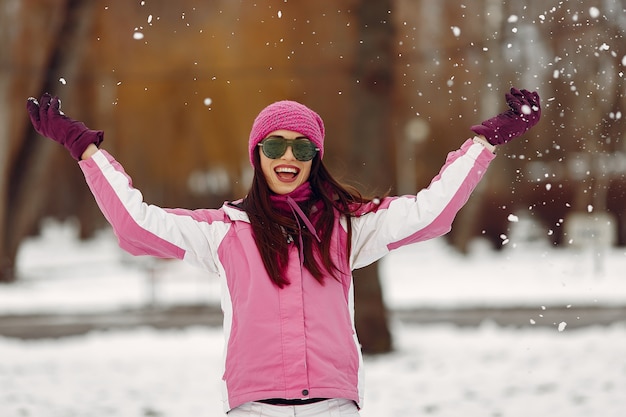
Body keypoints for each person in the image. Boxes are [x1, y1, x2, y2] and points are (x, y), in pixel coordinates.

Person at [26, 88, 541, 416]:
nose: (288, 156)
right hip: (254, 407)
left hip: (334, 405)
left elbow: (431, 213)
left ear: (316, 157)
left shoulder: (346, 228)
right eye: (274, 146)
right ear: (258, 157)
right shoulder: (225, 232)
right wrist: (86, 149)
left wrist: (484, 143)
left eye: (302, 147)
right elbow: (137, 224)